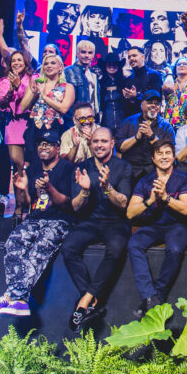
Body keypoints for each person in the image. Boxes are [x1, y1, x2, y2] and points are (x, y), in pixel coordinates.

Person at [0, 130, 84, 318]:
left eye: (48, 144)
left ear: (57, 147)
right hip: (35, 218)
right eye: (40, 144)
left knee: (38, 249)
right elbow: (26, 203)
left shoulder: (67, 169)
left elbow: (66, 204)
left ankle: (11, 297)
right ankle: (18, 300)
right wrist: (20, 190)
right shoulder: (34, 168)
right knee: (13, 244)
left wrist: (48, 188)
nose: (43, 147)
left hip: (59, 220)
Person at [61, 127, 133, 331]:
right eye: (95, 141)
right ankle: (90, 299)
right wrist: (84, 191)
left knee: (116, 250)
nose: (99, 145)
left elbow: (123, 204)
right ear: (90, 144)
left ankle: (83, 302)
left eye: (104, 141)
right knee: (68, 249)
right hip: (90, 222)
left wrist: (108, 188)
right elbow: (75, 207)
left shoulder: (123, 167)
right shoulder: (82, 167)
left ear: (112, 144)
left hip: (115, 222)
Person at [126, 140, 187, 314]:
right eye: (160, 154)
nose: (164, 157)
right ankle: (149, 296)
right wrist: (150, 201)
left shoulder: (183, 179)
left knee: (176, 249)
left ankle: (158, 295)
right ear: (153, 158)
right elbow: (130, 213)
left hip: (176, 226)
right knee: (134, 244)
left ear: (173, 157)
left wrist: (166, 197)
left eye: (168, 153)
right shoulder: (145, 181)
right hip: (153, 225)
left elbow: (186, 209)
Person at [116, 90, 176, 179]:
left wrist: (152, 136)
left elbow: (169, 153)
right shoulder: (128, 122)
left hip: (155, 170)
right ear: (141, 105)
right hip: (131, 169)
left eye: (156, 103)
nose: (153, 106)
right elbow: (120, 147)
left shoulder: (166, 126)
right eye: (149, 102)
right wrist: (136, 137)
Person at [0, 51, 33, 177]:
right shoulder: (5, 81)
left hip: (30, 122)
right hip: (13, 123)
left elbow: (32, 99)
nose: (16, 63)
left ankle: (31, 193)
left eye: (19, 60)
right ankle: (20, 193)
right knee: (17, 162)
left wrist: (20, 86)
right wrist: (10, 92)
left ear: (25, 63)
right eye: (13, 61)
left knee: (30, 163)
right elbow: (1, 104)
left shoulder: (33, 78)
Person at [21, 54, 73, 140]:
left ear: (60, 67)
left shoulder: (67, 87)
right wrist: (34, 94)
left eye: (53, 63)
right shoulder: (36, 83)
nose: (49, 66)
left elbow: (63, 109)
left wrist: (44, 97)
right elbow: (23, 107)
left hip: (55, 128)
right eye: (46, 64)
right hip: (34, 128)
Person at [163, 57, 187, 127]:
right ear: (175, 69)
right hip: (170, 124)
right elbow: (165, 90)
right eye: (179, 64)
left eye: (185, 64)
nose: (182, 65)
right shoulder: (171, 83)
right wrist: (169, 74)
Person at [64, 38, 101, 110]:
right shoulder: (67, 71)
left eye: (90, 53)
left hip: (90, 116)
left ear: (93, 55)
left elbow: (94, 98)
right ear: (77, 53)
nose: (87, 55)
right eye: (83, 52)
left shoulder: (93, 74)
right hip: (74, 116)